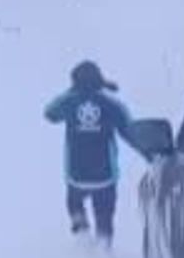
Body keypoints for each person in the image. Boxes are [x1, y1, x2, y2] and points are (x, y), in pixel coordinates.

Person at [43, 60, 136, 248]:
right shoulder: (110, 103)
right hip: (105, 176)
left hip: (77, 175)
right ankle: (104, 244)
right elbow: (130, 129)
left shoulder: (70, 101)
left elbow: (50, 113)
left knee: (75, 204)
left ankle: (81, 233)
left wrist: (73, 93)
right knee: (104, 213)